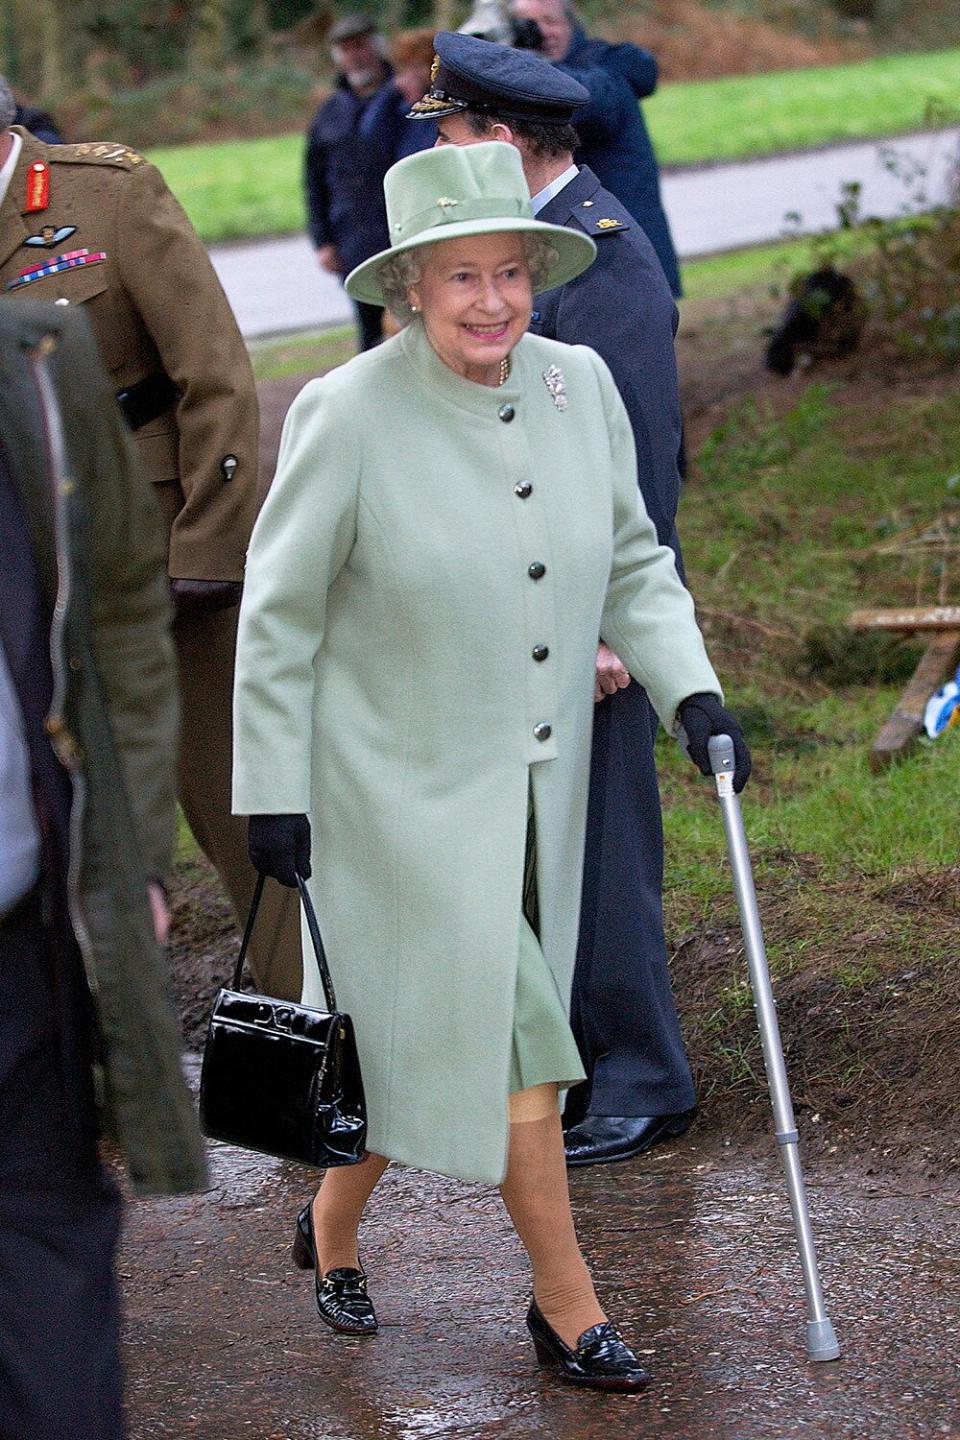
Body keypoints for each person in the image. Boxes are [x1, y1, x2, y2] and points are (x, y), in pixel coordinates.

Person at [232, 142, 750, 1391]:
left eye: (510, 272)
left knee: (425, 1043)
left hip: (537, 798)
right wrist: (271, 790)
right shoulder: (345, 411)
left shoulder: (579, 386)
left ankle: (329, 1225)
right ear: (410, 288)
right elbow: (279, 614)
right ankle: (568, 1308)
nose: (491, 303)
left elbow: (635, 561)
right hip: (388, 800)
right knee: (520, 1040)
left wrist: (693, 690)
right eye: (460, 277)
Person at [411, 33, 698, 1167]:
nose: (436, 148)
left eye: (449, 131)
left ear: (498, 140)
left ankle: (645, 1078)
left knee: (605, 851)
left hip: (588, 622)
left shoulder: (604, 258)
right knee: (533, 848)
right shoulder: (515, 256)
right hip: (514, 605)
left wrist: (621, 624)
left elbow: (642, 468)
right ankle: (572, 1067)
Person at [0, 76, 302, 1001]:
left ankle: (328, 1037)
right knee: (45, 837)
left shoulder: (106, 195)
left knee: (242, 825)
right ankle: (76, 1084)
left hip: (161, 569)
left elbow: (213, 376)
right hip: (20, 585)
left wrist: (207, 550)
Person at [0, 298, 207, 1440]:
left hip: (28, 941)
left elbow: (125, 599)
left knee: (52, 1284)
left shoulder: (38, 359)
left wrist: (131, 848)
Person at [509, 0, 681, 296]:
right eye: (528, 25)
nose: (541, 33)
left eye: (550, 21)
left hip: (624, 250)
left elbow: (583, 101)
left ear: (571, 24)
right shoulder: (527, 81)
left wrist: (513, 66)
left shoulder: (602, 69)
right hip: (576, 252)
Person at [304, 14, 393, 351]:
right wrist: (322, 240)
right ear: (337, 57)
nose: (356, 55)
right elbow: (314, 180)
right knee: (370, 338)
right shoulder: (329, 112)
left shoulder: (405, 98)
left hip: (399, 236)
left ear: (376, 46)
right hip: (352, 243)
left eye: (361, 45)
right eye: (346, 49)